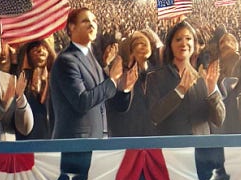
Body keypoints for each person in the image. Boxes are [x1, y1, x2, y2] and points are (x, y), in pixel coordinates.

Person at [50, 7, 136, 138]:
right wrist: (112, 81)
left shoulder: (93, 59)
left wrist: (124, 89)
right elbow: (82, 102)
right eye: (85, 21)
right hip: (75, 143)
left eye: (94, 21)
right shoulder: (66, 61)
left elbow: (109, 100)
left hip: (98, 140)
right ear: (72, 27)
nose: (92, 24)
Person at [147, 20, 225, 136]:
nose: (183, 43)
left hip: (200, 149)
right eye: (178, 39)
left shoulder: (204, 78)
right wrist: (179, 91)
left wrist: (212, 90)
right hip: (171, 150)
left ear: (194, 44)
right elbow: (154, 116)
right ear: (170, 45)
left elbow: (219, 120)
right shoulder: (155, 77)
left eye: (188, 39)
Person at [108, 30, 156, 138]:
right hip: (127, 138)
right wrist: (124, 91)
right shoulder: (119, 74)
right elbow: (116, 106)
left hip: (151, 139)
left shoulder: (157, 73)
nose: (142, 46)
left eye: (144, 43)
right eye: (137, 44)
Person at [14, 38, 54, 140]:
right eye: (35, 48)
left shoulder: (56, 78)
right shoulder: (19, 79)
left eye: (44, 47)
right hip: (25, 140)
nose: (40, 51)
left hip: (51, 139)